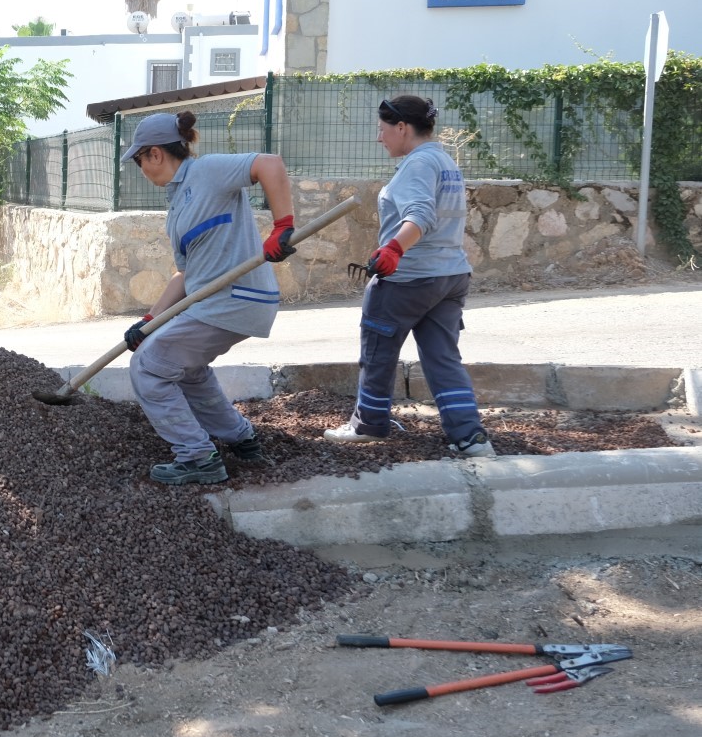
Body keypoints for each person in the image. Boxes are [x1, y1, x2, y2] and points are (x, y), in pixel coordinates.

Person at [123, 112, 299, 485]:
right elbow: (187, 276)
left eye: (139, 160)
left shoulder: (207, 171)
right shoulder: (178, 207)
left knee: (148, 367)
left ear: (155, 154)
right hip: (215, 301)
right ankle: (241, 438)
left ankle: (197, 458)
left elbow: (270, 164)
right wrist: (150, 319)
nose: (140, 169)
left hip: (237, 298)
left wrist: (284, 225)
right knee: (184, 368)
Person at [323, 95, 493, 457]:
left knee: (378, 352)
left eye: (382, 130)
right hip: (450, 276)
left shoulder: (417, 165)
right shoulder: (445, 161)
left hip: (408, 279)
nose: (379, 138)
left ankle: (368, 424)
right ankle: (470, 437)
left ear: (402, 127)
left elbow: (420, 215)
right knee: (443, 357)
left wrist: (394, 249)